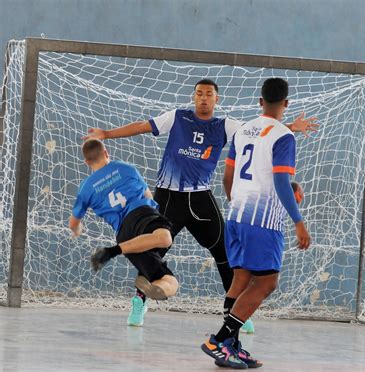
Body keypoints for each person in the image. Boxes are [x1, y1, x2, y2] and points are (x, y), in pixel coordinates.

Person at [84, 79, 317, 329]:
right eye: (199, 94)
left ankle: (237, 311)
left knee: (225, 253)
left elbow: (261, 134)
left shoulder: (226, 126)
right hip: (169, 197)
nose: (203, 97)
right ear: (194, 97)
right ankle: (140, 303)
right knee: (152, 254)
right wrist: (107, 134)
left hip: (200, 199)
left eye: (209, 94)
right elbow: (143, 126)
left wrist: (291, 126)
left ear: (217, 100)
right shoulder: (177, 117)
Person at [201, 78, 312, 369]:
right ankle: (219, 340)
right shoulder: (284, 137)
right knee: (267, 282)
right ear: (286, 104)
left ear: (260, 101)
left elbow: (228, 177)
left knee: (240, 279)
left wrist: (235, 202)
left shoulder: (242, 131)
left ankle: (232, 348)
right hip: (262, 221)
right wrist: (298, 221)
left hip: (236, 213)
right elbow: (280, 181)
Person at [69, 139, 179, 326]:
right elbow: (148, 196)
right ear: (106, 152)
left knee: (167, 279)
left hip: (124, 233)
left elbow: (73, 223)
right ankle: (114, 253)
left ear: (86, 162)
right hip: (143, 215)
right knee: (165, 238)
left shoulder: (86, 188)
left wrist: (78, 230)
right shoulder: (126, 168)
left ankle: (150, 289)